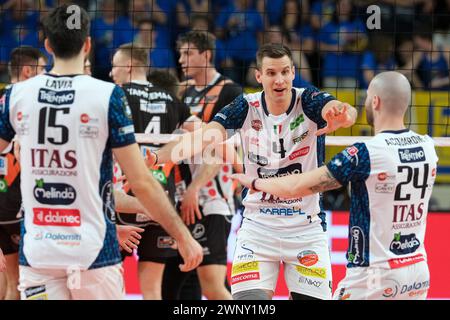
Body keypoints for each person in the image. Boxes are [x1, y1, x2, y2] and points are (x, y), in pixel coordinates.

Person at [0, 4, 202, 300]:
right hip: (93, 250)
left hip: (40, 250)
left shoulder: (15, 96)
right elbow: (143, 181)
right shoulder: (108, 95)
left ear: (47, 45)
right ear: (88, 45)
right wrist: (183, 236)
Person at [152, 43, 357, 300]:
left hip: (305, 229)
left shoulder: (308, 100)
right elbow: (205, 136)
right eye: (271, 73)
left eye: (284, 72)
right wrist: (157, 156)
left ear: (293, 72)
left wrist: (344, 115)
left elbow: (340, 109)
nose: (279, 79)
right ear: (259, 76)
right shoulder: (246, 106)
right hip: (258, 229)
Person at [232, 71, 437, 300]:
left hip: (373, 276)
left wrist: (255, 182)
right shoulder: (428, 147)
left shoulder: (365, 153)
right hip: (417, 271)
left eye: (368, 97)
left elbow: (298, 186)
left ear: (375, 101)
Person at [110, 43, 201, 300]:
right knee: (152, 290)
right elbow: (204, 133)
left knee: (112, 285)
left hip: (125, 195)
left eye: (115, 67)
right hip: (161, 197)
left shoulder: (115, 95)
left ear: (128, 66)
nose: (111, 73)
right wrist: (167, 150)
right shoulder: (171, 99)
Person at [161, 30, 243, 301]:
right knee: (191, 275)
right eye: (181, 53)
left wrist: (196, 188)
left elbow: (222, 149)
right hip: (184, 194)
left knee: (212, 283)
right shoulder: (181, 92)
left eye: (188, 53)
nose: (181, 59)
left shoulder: (229, 91)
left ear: (206, 54)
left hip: (213, 194)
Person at [0, 46, 47, 300]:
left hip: (3, 203)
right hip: (18, 203)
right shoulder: (31, 102)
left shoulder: (3, 97)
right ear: (29, 71)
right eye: (43, 69)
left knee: (8, 279)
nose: (48, 75)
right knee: (21, 283)